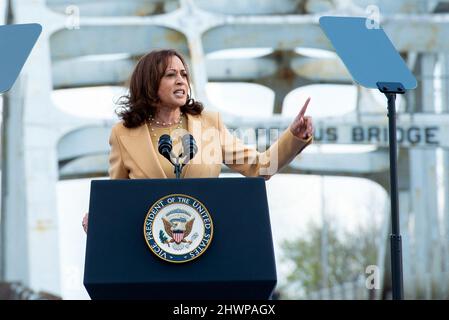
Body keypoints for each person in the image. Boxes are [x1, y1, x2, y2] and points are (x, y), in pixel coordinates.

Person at [82, 49, 313, 233]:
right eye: (171, 75)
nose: (181, 81)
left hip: (205, 243)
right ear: (150, 83)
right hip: (150, 250)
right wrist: (100, 219)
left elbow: (259, 167)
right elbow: (118, 198)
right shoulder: (123, 134)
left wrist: (294, 136)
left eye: (184, 74)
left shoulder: (209, 124)